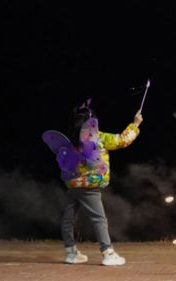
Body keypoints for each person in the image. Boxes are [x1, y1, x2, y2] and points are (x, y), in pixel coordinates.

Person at [43, 102, 143, 266]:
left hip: (73, 185)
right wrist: (135, 124)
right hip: (91, 186)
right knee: (99, 219)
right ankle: (108, 252)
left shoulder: (71, 141)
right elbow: (123, 140)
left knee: (68, 218)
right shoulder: (99, 137)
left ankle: (70, 252)